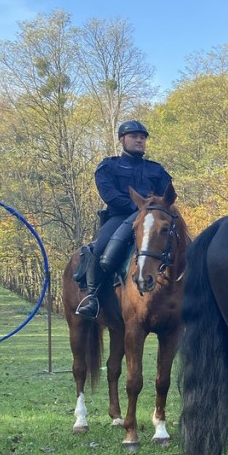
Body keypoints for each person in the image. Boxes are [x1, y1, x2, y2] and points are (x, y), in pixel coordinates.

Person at [75, 120, 173, 320]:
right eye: (134, 136)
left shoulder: (157, 170)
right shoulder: (108, 166)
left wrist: (152, 210)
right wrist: (136, 207)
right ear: (122, 139)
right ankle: (92, 297)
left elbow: (167, 195)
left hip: (153, 217)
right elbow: (109, 194)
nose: (139, 140)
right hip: (120, 215)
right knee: (102, 248)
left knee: (181, 243)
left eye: (142, 137)